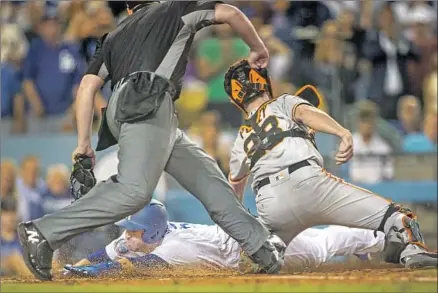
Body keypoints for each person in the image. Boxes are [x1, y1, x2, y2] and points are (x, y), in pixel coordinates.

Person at [18, 1, 284, 281]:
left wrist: (83, 142)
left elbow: (87, 87)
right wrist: (258, 48)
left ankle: (260, 246)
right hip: (147, 101)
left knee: (208, 179)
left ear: (130, 9)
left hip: (139, 113)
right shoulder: (173, 9)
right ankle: (42, 232)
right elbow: (230, 13)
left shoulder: (114, 35)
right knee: (134, 191)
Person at [224, 59, 437, 270]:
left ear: (236, 101)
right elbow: (306, 113)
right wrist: (342, 132)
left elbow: (234, 191)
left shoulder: (240, 139)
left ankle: (270, 249)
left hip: (270, 204)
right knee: (398, 218)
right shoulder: (282, 102)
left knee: (265, 248)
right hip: (309, 183)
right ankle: (412, 251)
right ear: (266, 82)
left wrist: (246, 229)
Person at [63, 200, 385, 277]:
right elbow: (103, 256)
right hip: (239, 237)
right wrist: (74, 269)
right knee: (319, 236)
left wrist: (84, 275)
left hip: (257, 246)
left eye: (134, 230)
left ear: (152, 233)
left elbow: (125, 268)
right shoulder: (139, 237)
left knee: (323, 245)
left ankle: (387, 237)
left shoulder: (174, 250)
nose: (127, 234)